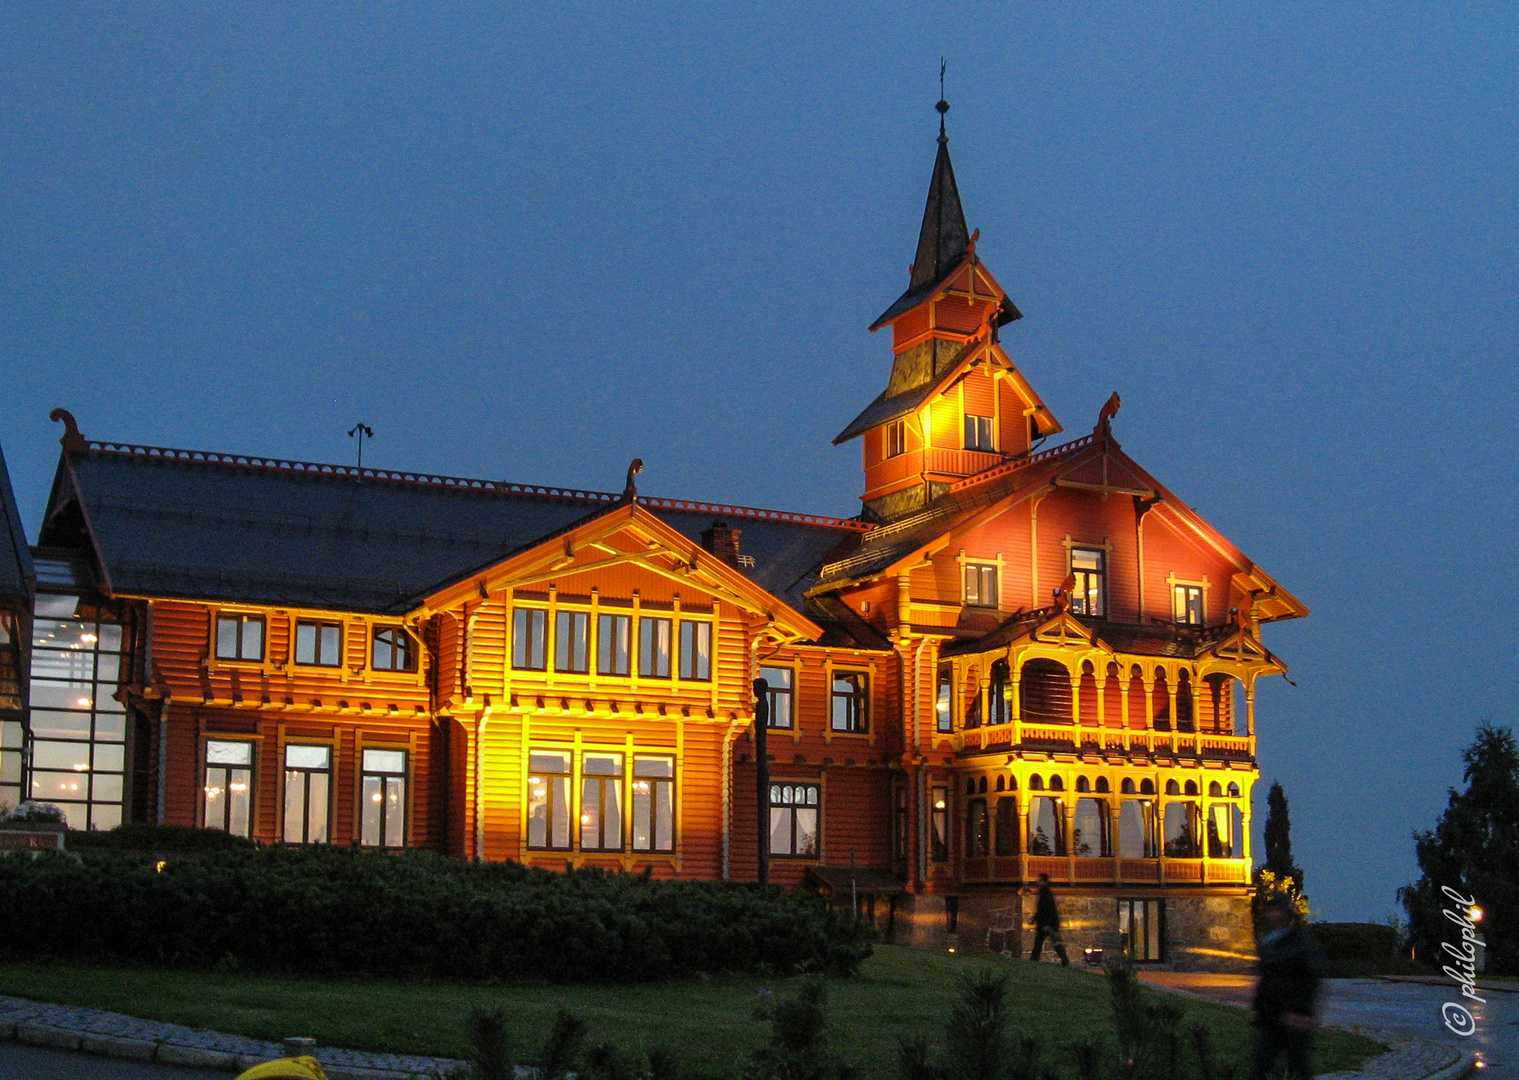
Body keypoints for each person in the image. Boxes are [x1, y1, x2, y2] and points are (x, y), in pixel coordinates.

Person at [1251, 893, 1323, 1080]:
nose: (1274, 915)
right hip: (1271, 1013)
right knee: (1261, 1063)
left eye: (1278, 911)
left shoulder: (1300, 942)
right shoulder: (1269, 941)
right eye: (1272, 910)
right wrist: (1258, 1006)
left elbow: (1310, 978)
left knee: (1300, 1066)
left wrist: (1302, 1011)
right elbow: (1265, 979)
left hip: (1294, 1016)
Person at [1028, 873, 1070, 966]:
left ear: (1044, 881)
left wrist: (1046, 924)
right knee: (1039, 943)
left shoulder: (1046, 893)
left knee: (1056, 943)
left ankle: (1065, 960)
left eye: (1040, 880)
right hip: (1044, 923)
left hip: (1049, 924)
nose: (1037, 882)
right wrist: (1034, 919)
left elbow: (1048, 909)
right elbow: (1040, 909)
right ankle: (1033, 960)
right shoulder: (1042, 892)